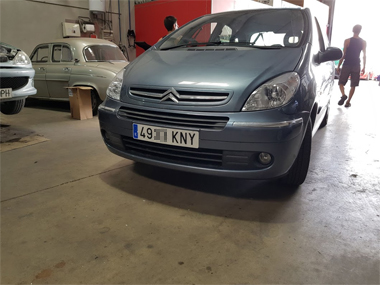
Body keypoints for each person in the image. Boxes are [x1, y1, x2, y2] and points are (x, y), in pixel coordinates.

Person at [337, 24, 367, 107]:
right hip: (356, 64)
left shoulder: (347, 41)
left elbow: (343, 54)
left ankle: (343, 95)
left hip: (347, 63)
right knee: (353, 84)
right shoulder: (363, 42)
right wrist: (364, 67)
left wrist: (339, 66)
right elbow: (364, 55)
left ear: (352, 30)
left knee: (341, 82)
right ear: (360, 31)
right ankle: (348, 102)